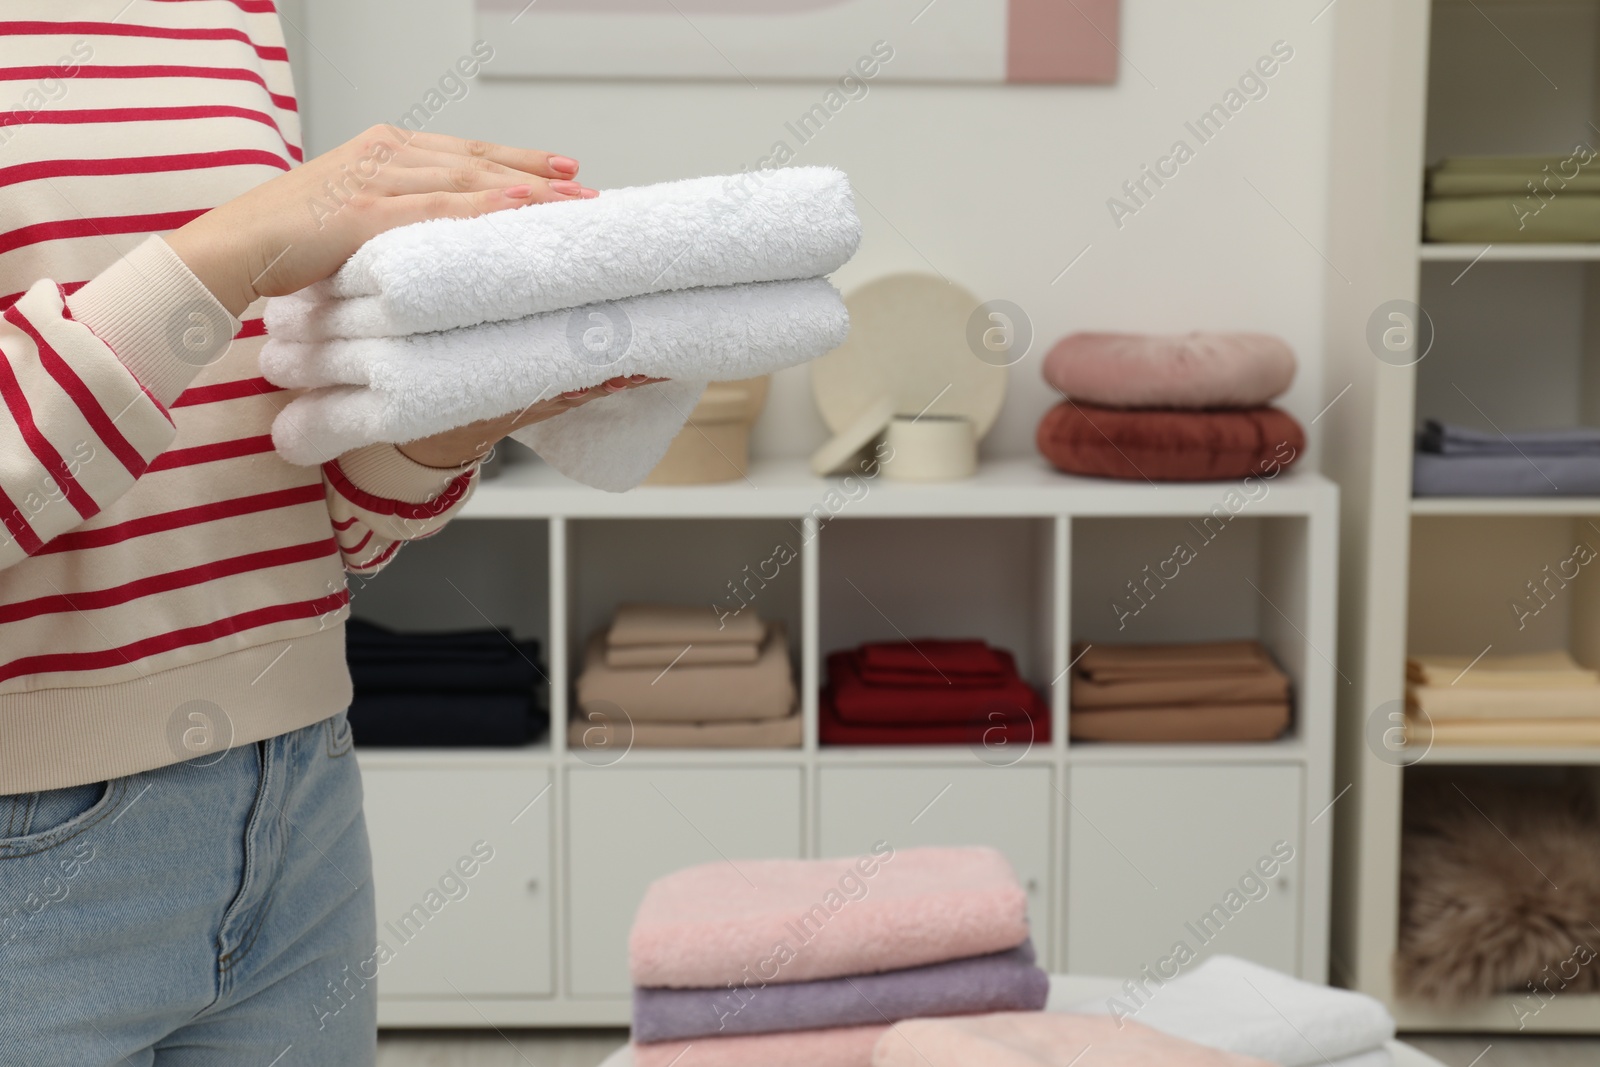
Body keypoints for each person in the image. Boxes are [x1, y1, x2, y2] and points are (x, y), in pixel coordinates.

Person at [0, 4, 651, 1062]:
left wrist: (451, 420)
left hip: (300, 807)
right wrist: (229, 250)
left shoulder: (233, 12)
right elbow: (229, 268)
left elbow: (312, 508)